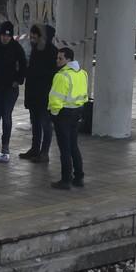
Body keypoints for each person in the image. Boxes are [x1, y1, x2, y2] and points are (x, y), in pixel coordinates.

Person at [47, 47, 88, 190]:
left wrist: (54, 113)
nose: (57, 61)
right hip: (77, 112)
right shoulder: (82, 74)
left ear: (68, 60)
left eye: (60, 58)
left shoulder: (61, 76)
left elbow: (55, 98)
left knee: (64, 148)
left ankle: (65, 180)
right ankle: (79, 177)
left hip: (63, 114)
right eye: (57, 58)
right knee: (74, 146)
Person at [0, 20, 26, 154]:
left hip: (10, 89)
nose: (5, 38)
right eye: (3, 35)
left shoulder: (16, 47)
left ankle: (5, 144)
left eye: (8, 36)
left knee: (6, 117)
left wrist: (18, 80)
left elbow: (23, 65)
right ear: (0, 35)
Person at [21, 23, 57, 164]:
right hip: (34, 94)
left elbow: (51, 74)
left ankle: (44, 152)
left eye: (35, 37)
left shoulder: (52, 52)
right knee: (35, 123)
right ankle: (35, 149)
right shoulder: (36, 50)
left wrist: (34, 73)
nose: (32, 39)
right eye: (31, 37)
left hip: (45, 95)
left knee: (45, 124)